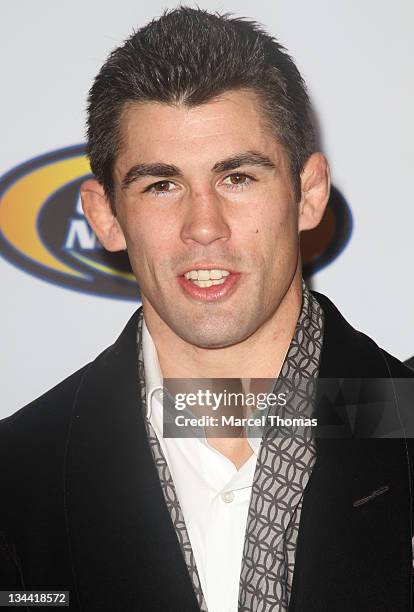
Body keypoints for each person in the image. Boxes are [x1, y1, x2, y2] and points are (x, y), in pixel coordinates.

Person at [1, 7, 413, 611]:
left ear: (310, 193)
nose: (203, 227)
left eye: (238, 177)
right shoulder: (16, 479)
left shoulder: (403, 418)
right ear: (106, 217)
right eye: (160, 185)